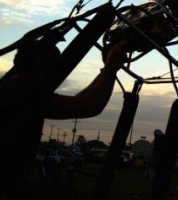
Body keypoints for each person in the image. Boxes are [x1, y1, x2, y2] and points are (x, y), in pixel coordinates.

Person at [0, 38, 129, 199]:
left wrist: (106, 70)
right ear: (42, 65)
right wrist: (111, 67)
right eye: (55, 64)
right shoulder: (19, 92)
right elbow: (90, 105)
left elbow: (78, 102)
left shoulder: (13, 87)